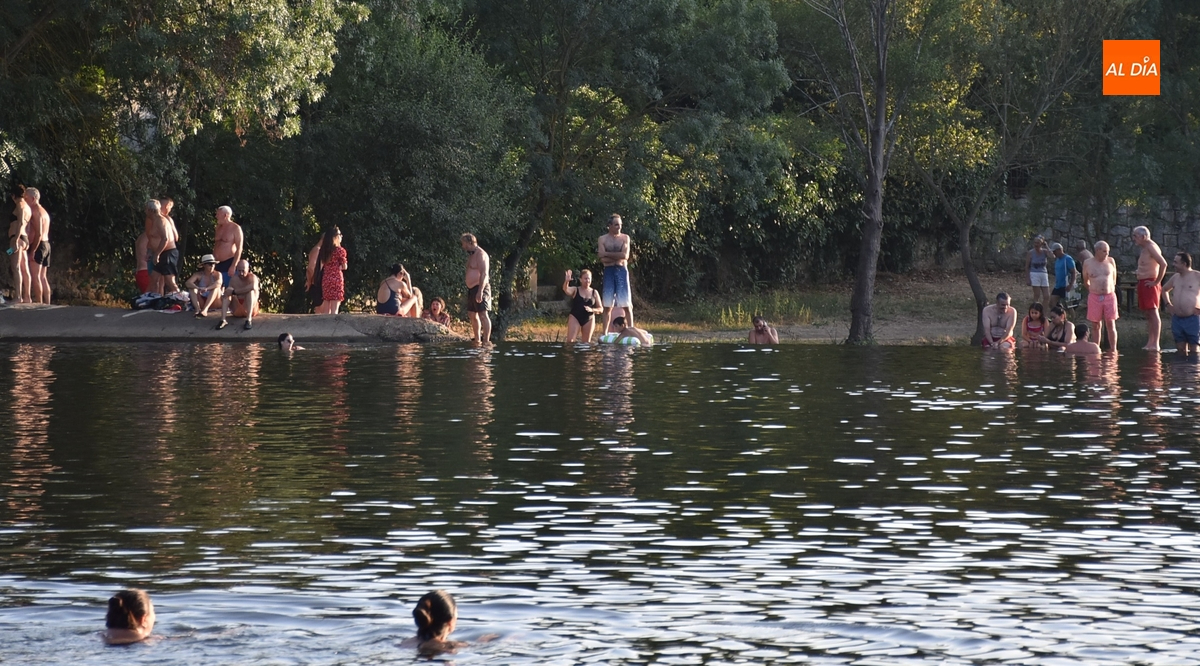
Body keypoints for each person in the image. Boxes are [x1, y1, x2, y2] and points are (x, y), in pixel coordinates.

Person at [1132, 226, 1168, 351]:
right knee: (1148, 313)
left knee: (1153, 312)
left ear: (1143, 236)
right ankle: (1150, 342)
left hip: (1150, 283)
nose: (1134, 238)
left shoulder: (1151, 247)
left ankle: (1156, 343)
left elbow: (1163, 264)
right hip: (1143, 283)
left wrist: (1156, 282)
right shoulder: (1145, 248)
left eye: (1135, 236)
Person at [598, 214, 633, 332]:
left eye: (620, 225)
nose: (619, 227)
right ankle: (605, 332)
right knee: (607, 305)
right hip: (609, 271)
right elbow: (602, 258)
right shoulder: (602, 239)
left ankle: (631, 329)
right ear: (610, 226)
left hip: (621, 271)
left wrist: (607, 254)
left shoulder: (625, 238)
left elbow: (625, 256)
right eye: (616, 224)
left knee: (626, 304)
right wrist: (616, 258)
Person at [1082, 240, 1119, 350]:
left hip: (1109, 296)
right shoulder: (1088, 263)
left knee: (1111, 323)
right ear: (1097, 251)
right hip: (1094, 296)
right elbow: (1085, 281)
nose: (1107, 254)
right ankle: (1096, 349)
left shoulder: (1111, 261)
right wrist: (1094, 290)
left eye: (1108, 251)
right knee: (1095, 325)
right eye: (1104, 251)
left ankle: (1113, 349)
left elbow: (1114, 280)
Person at [1162, 251, 1200, 357]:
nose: (1173, 265)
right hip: (1177, 319)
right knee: (1180, 349)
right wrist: (1168, 305)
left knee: (1194, 349)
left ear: (1184, 264)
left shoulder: (1197, 276)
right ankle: (1181, 372)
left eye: (1176, 262)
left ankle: (1193, 372)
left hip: (1193, 318)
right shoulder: (1175, 277)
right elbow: (1164, 290)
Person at [461, 233, 491, 343]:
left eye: (464, 244)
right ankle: (477, 339)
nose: (463, 246)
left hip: (480, 287)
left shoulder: (481, 255)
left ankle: (486, 340)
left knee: (483, 314)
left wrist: (480, 291)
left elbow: (484, 274)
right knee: (472, 314)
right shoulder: (471, 255)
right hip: (471, 288)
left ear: (470, 242)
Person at [24, 187, 51, 304]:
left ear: (33, 199)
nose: (24, 200)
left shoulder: (36, 212)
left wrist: (33, 250)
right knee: (43, 277)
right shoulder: (44, 211)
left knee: (35, 277)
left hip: (39, 245)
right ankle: (48, 303)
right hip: (47, 244)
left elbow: (39, 233)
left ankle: (39, 303)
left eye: (26, 198)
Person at [217, 259, 260, 330]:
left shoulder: (253, 277)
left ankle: (248, 320)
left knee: (250, 292)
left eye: (243, 271)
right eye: (239, 271)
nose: (241, 273)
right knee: (227, 294)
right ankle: (223, 320)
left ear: (248, 269)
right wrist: (228, 292)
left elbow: (252, 287)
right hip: (237, 308)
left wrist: (235, 291)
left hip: (250, 308)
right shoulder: (234, 279)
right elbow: (228, 291)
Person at [149, 198, 181, 295]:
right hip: (160, 253)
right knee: (154, 278)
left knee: (169, 280)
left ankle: (182, 299)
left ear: (151, 210)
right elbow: (153, 239)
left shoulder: (161, 220)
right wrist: (151, 251)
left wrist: (157, 254)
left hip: (168, 253)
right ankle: (155, 299)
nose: (145, 212)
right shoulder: (154, 221)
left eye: (146, 209)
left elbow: (165, 238)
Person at [562, 269, 602, 342]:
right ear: (580, 279)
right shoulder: (575, 289)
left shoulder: (594, 292)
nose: (587, 280)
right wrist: (567, 281)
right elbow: (566, 289)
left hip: (589, 318)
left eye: (589, 278)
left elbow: (601, 309)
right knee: (570, 341)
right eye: (585, 278)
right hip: (575, 317)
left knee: (586, 343)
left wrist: (592, 310)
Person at [317, 227, 348, 315]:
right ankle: (333, 328)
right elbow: (344, 266)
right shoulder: (340, 251)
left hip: (326, 278)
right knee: (334, 310)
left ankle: (325, 327)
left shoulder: (324, 251)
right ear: (335, 237)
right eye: (340, 235)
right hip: (336, 279)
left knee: (326, 306)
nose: (341, 236)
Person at [9, 189, 31, 303]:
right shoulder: (28, 207)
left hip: (16, 239)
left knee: (16, 267)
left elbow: (21, 222)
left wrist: (16, 240)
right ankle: (27, 296)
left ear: (14, 195)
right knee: (24, 268)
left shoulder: (20, 205)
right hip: (24, 239)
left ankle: (18, 296)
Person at [213, 205, 244, 286]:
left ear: (225, 215)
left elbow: (239, 248)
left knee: (227, 287)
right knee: (216, 286)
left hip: (228, 262)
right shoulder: (218, 228)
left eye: (218, 214)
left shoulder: (236, 228)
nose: (216, 216)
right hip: (216, 262)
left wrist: (233, 265)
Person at [1048, 242, 1076, 311]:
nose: (1054, 253)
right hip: (1058, 285)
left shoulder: (1067, 259)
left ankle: (1073, 319)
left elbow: (1073, 272)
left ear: (1059, 250)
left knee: (1069, 306)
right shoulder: (1057, 260)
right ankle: (1056, 316)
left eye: (1054, 251)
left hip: (1066, 285)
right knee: (1052, 303)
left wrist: (1071, 284)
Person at [1025, 235, 1052, 306]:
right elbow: (1027, 266)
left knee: (1047, 296)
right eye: (1035, 243)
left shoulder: (1045, 252)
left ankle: (1044, 313)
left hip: (1044, 273)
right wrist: (1027, 278)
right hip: (1034, 273)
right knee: (1037, 295)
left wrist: (1047, 246)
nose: (1036, 244)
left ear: (1042, 244)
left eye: (1038, 243)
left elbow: (1052, 256)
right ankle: (1034, 310)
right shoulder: (1030, 253)